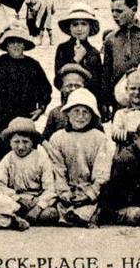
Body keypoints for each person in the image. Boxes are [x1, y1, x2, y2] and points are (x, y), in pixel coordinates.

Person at [44, 89, 115, 227]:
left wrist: (90, 193)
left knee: (97, 206)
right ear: (67, 113)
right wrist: (64, 192)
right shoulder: (57, 138)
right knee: (51, 213)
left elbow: (102, 171)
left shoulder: (99, 138)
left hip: (90, 190)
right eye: (76, 111)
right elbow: (57, 168)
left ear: (93, 115)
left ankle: (90, 213)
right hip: (66, 190)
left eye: (85, 112)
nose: (80, 116)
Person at [0, 26, 51, 164]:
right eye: (12, 42)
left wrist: (41, 108)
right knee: (1, 160)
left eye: (19, 42)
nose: (16, 45)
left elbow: (46, 90)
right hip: (1, 118)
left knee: (26, 155)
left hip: (25, 117)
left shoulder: (33, 65)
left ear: (25, 44)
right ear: (6, 45)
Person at [0, 118, 58, 226]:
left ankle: (20, 218)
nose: (21, 146)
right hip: (15, 200)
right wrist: (18, 198)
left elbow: (50, 189)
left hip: (35, 201)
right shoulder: (8, 159)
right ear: (10, 142)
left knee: (50, 214)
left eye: (25, 142)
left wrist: (38, 207)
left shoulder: (41, 159)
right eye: (16, 142)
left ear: (33, 142)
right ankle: (17, 218)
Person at [102, 0, 140, 120]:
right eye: (112, 11)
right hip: (119, 100)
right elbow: (107, 71)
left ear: (134, 10)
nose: (114, 15)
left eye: (119, 11)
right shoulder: (110, 39)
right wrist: (105, 101)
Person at [53, 3, 105, 113]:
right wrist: (76, 59)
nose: (79, 29)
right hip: (69, 104)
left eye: (84, 24)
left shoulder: (94, 52)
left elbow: (99, 82)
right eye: (75, 24)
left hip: (91, 105)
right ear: (69, 27)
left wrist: (101, 105)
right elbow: (58, 80)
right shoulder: (63, 49)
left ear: (90, 27)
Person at [43, 64, 93, 142]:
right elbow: (46, 138)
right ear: (61, 88)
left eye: (77, 86)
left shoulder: (91, 111)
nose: (73, 89)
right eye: (69, 86)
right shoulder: (55, 113)